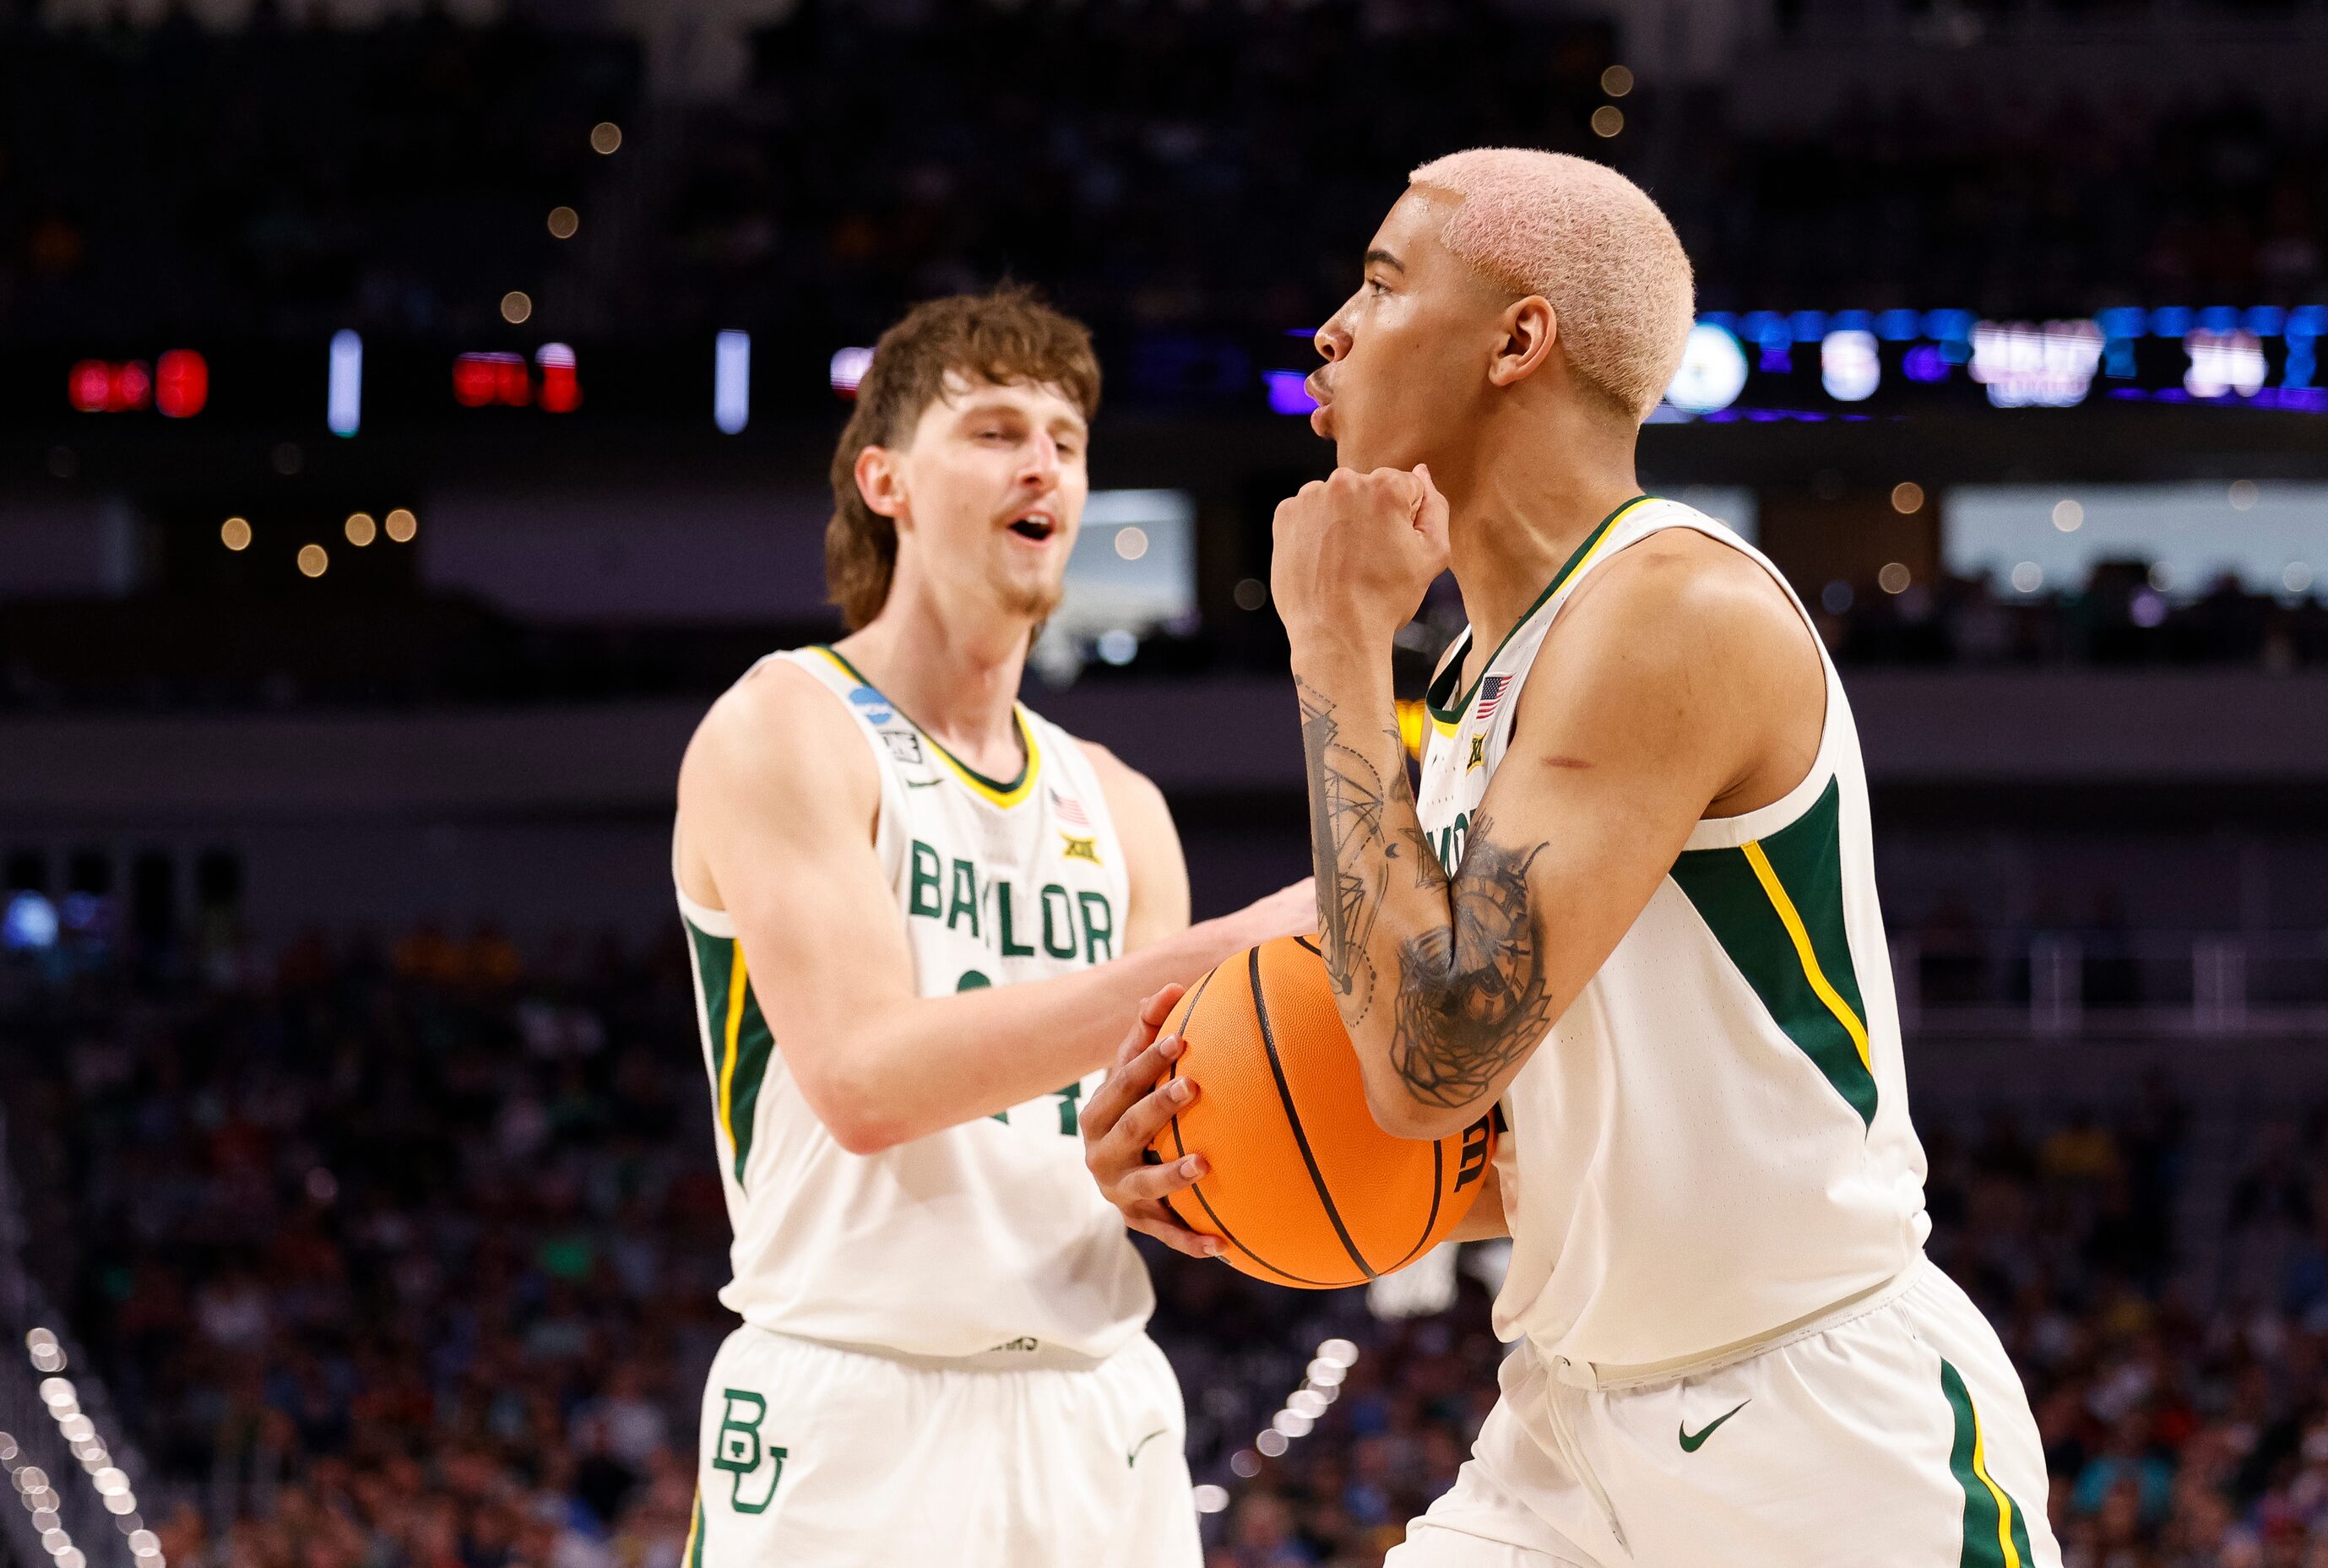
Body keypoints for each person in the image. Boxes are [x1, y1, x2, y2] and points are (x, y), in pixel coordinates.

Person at [1083, 150, 2062, 1567]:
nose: (1329, 332)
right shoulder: (1485, 671)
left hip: (1816, 1438)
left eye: (1378, 283)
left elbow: (1429, 1059)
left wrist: (1338, 645)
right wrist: (1223, 1155)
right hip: (1572, 1418)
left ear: (1518, 339)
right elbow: (1535, 1131)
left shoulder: (1668, 608)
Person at [672, 287, 1312, 1567]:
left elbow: (1147, 1136)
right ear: (885, 478)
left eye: (1069, 440)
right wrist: (1231, 948)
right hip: (857, 1413)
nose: (1044, 463)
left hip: (1098, 1409)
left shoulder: (1122, 807)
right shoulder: (787, 722)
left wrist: (1178, 1164)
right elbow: (863, 1080)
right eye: (994, 428)